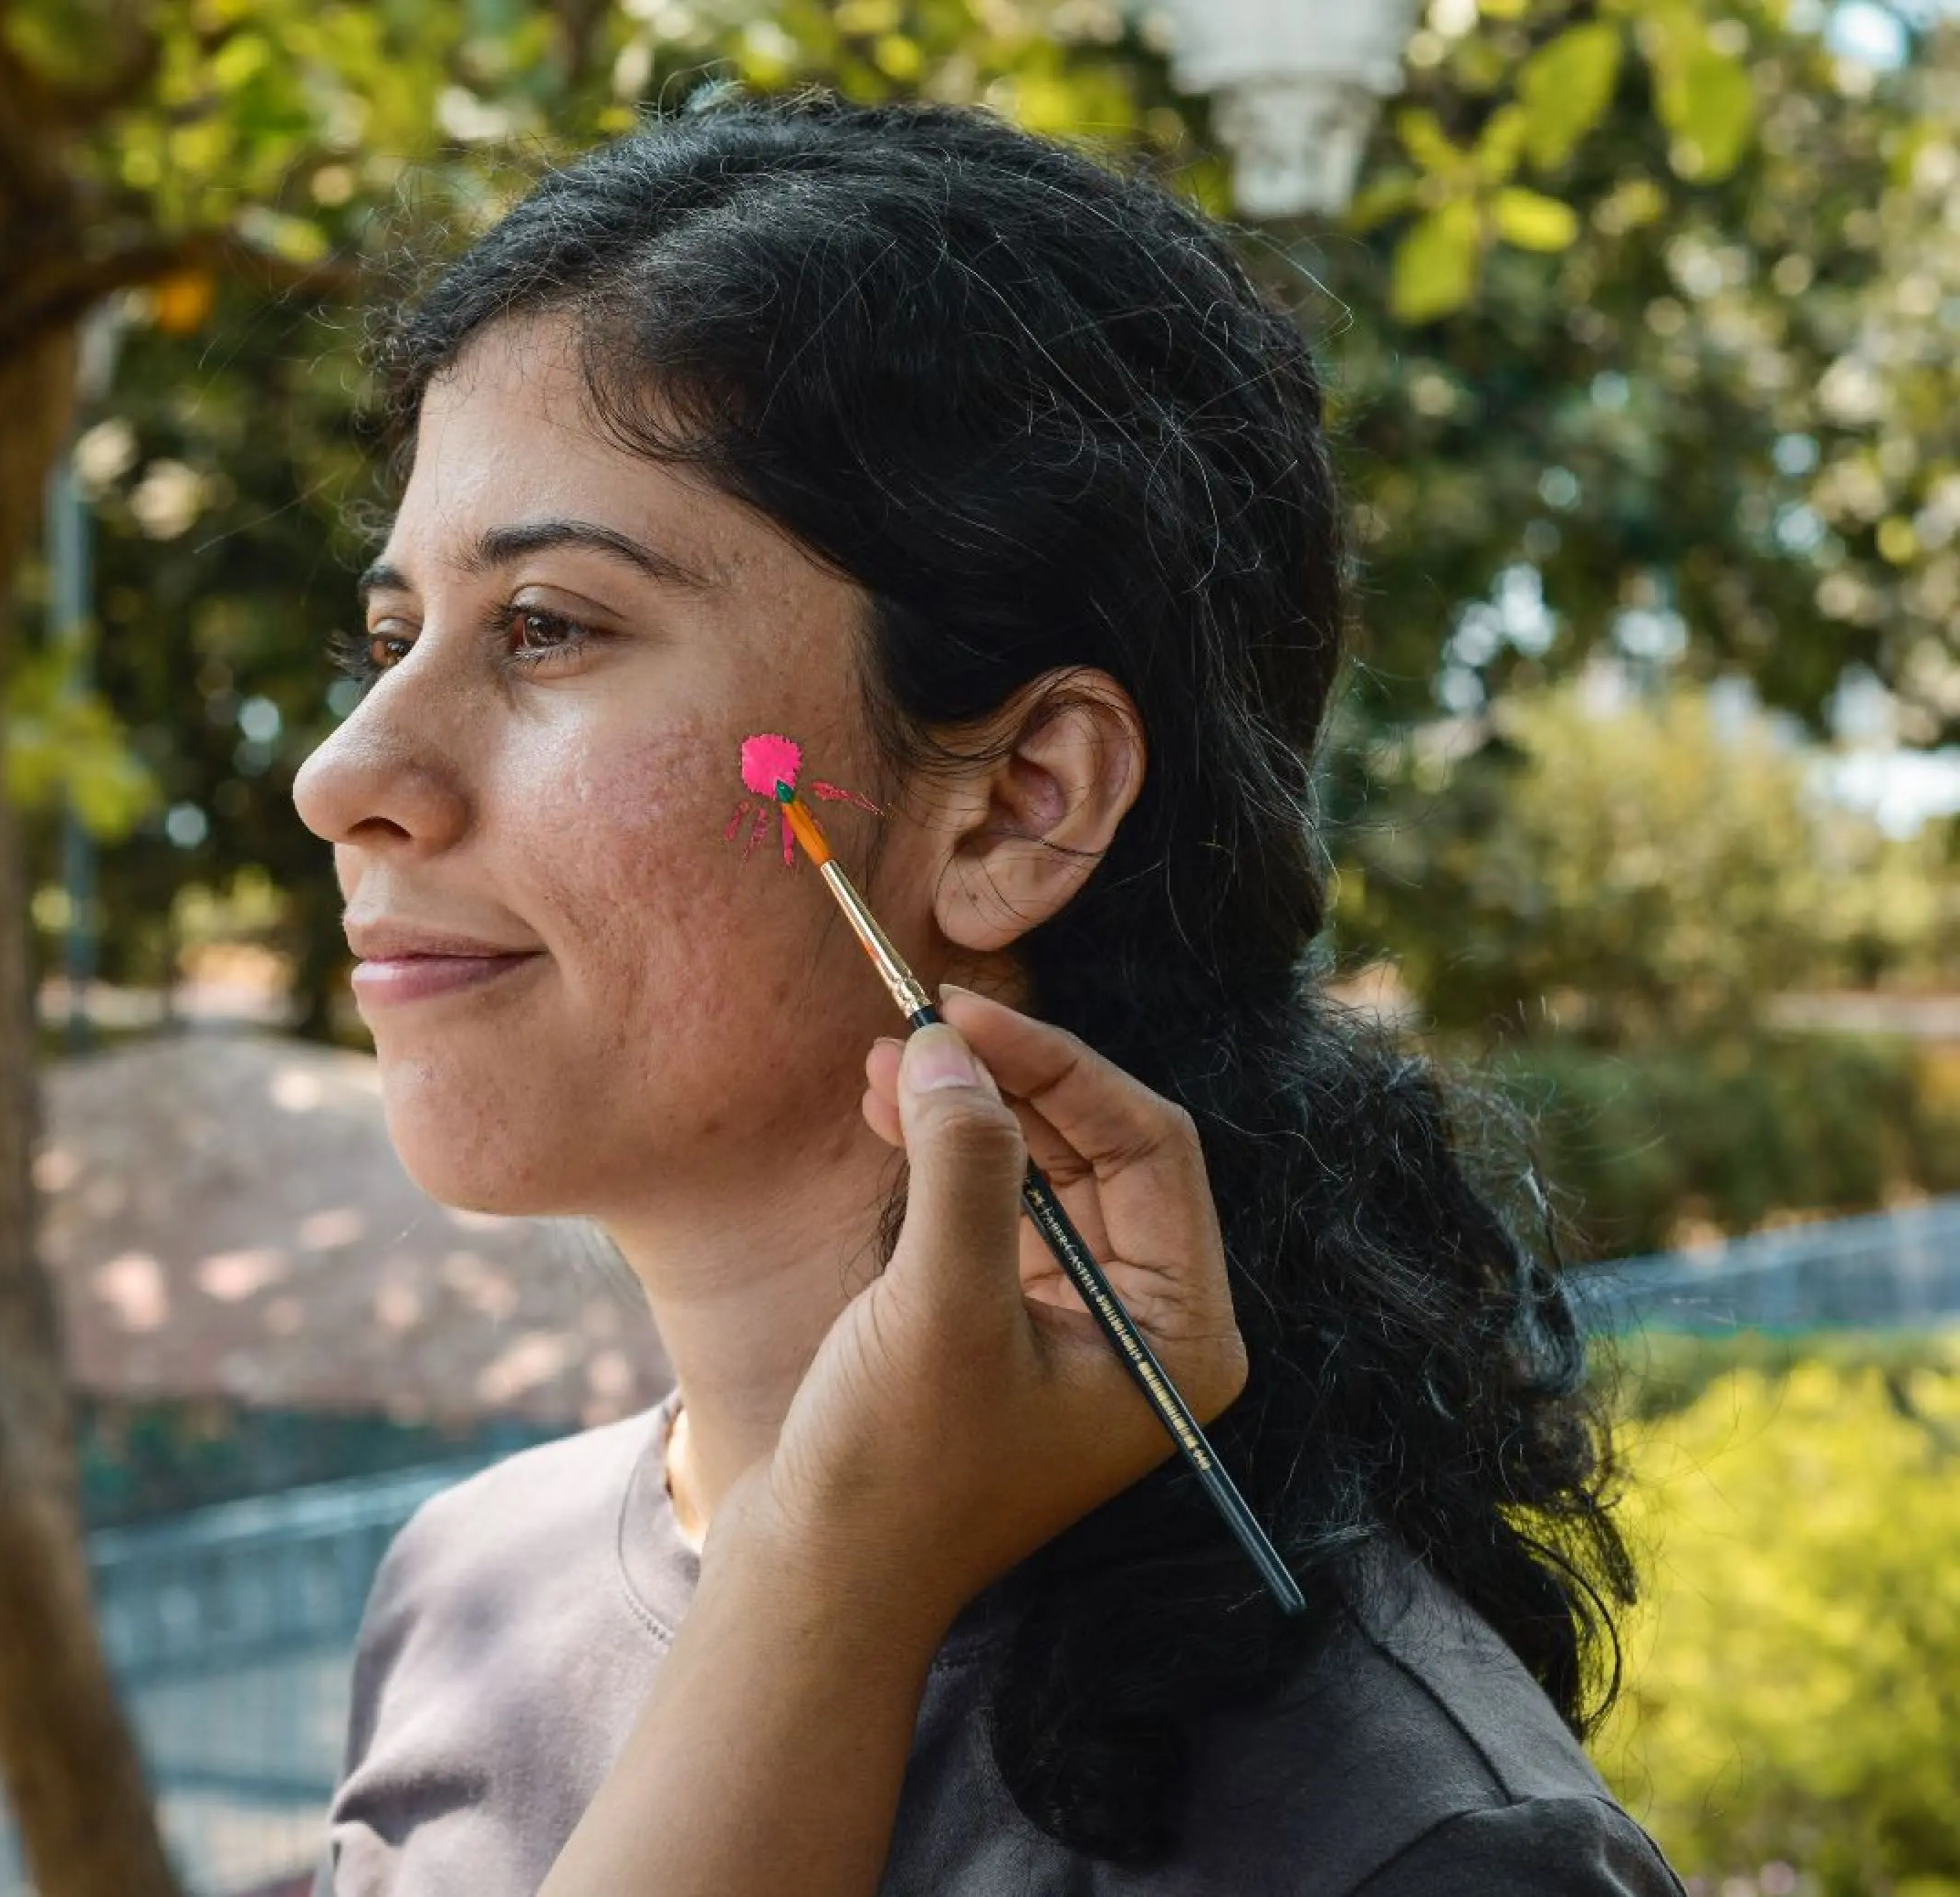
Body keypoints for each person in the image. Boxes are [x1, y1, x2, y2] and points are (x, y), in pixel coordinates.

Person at [294, 89, 1681, 1896]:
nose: (343, 773)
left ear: (1018, 803)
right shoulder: (466, 1594)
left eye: (545, 625)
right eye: (393, 637)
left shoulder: (1395, 1844)